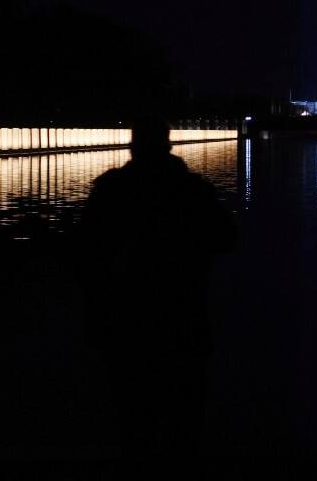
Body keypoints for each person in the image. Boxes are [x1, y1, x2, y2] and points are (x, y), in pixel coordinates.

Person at [78, 116, 236, 462]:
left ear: (133, 147)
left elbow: (86, 252)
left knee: (134, 420)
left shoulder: (111, 189)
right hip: (184, 316)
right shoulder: (194, 190)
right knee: (184, 420)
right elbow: (227, 238)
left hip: (127, 319)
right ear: (169, 146)